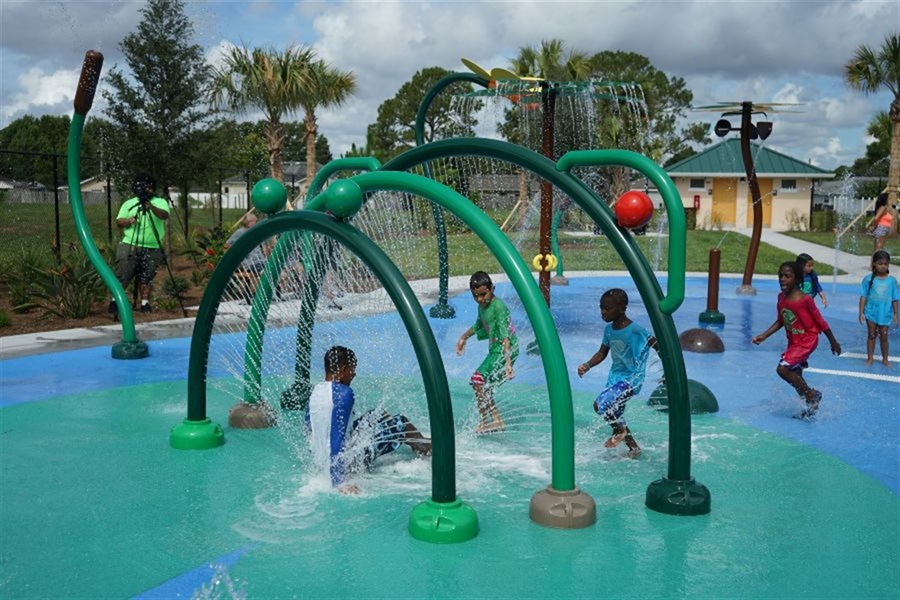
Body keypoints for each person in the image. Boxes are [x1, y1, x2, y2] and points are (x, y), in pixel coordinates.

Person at [305, 346, 431, 494]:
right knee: (401, 423)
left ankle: (411, 443)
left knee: (377, 414)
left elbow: (309, 428)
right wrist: (339, 481)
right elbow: (336, 439)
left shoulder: (315, 392)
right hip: (346, 465)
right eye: (352, 369)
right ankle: (427, 449)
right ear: (344, 369)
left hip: (321, 461)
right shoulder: (345, 393)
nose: (354, 374)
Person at [752, 261, 842, 419]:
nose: (782, 279)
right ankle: (810, 410)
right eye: (780, 276)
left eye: (787, 276)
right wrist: (764, 335)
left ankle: (811, 394)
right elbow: (781, 320)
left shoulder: (805, 300)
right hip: (794, 342)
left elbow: (821, 322)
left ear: (797, 279)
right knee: (796, 375)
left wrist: (833, 342)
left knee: (783, 369)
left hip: (807, 340)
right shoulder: (781, 298)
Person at [577, 288, 658, 458]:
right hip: (615, 379)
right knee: (615, 415)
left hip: (631, 379)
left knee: (600, 405)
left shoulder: (636, 330)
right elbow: (602, 353)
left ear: (622, 308)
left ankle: (619, 433)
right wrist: (587, 365)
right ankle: (634, 448)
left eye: (607, 308)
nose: (603, 312)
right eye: (601, 308)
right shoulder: (609, 330)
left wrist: (668, 370)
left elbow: (656, 343)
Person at [455, 271, 519, 434]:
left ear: (492, 289)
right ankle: (497, 420)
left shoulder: (498, 306)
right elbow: (478, 325)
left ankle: (484, 422)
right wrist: (464, 337)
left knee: (477, 380)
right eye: (475, 296)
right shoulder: (482, 307)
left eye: (483, 294)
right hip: (496, 350)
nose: (480, 299)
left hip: (506, 350)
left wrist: (508, 364)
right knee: (485, 386)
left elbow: (505, 335)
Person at [108, 173, 170, 314]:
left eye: (148, 187)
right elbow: (119, 221)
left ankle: (144, 303)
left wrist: (151, 207)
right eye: (143, 187)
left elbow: (164, 215)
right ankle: (115, 301)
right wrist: (129, 220)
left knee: (147, 277)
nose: (146, 190)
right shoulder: (129, 203)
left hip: (153, 247)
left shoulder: (160, 202)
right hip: (130, 245)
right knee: (123, 273)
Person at [859, 250, 899, 366]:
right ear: (874, 264)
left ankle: (885, 358)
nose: (883, 266)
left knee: (884, 335)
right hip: (871, 311)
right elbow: (863, 296)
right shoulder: (868, 279)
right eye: (880, 264)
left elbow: (894, 298)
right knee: (871, 334)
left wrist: (896, 313)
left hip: (885, 312)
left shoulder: (891, 281)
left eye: (885, 264)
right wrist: (861, 312)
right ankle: (870, 357)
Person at [225, 212, 267, 303]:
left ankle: (266, 295)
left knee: (274, 267)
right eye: (255, 222)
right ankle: (257, 295)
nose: (256, 223)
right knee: (262, 272)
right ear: (249, 222)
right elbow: (227, 244)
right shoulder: (240, 232)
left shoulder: (255, 232)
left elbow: (263, 246)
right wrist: (240, 251)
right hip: (250, 263)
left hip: (261, 260)